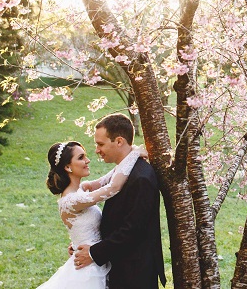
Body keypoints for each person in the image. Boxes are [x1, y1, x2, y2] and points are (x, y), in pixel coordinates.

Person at [73, 113, 166, 289]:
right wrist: (82, 246)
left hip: (134, 273)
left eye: (101, 144)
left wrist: (93, 253)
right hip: (119, 266)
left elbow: (133, 230)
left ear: (119, 141)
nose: (97, 150)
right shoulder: (124, 170)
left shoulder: (141, 178)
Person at [38, 140, 140, 289]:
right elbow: (114, 186)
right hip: (88, 270)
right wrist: (135, 154)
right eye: (81, 158)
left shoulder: (80, 190)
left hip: (96, 259)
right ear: (67, 167)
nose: (88, 160)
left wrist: (130, 154)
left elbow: (108, 178)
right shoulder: (73, 200)